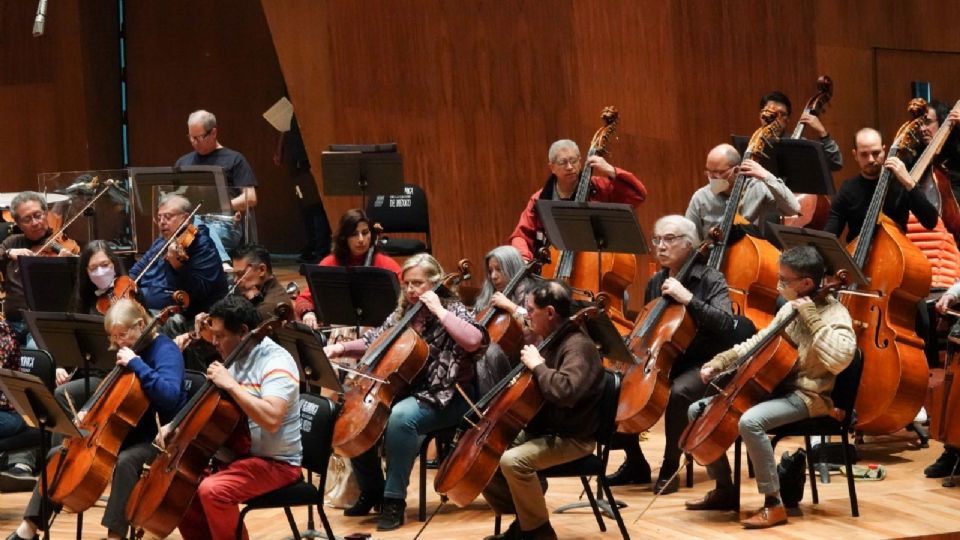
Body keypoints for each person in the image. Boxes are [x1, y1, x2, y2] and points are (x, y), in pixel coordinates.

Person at [684, 246, 855, 529]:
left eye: (784, 280)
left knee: (751, 422)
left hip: (809, 395)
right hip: (776, 389)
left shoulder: (836, 315)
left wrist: (812, 319)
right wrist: (722, 360)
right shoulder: (789, 307)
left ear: (807, 284)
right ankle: (725, 491)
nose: (779, 285)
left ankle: (774, 504)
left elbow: (840, 360)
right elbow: (759, 342)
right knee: (696, 410)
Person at [325, 253, 487, 531]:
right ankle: (372, 489)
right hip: (410, 392)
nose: (411, 290)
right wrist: (340, 349)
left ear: (435, 284)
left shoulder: (453, 308)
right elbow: (374, 340)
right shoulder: (403, 313)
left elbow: (474, 341)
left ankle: (393, 500)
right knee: (355, 418)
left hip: (449, 396)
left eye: (418, 283)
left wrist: (439, 310)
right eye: (407, 284)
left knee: (400, 418)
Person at [8, 299, 186, 540]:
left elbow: (170, 395)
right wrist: (89, 411)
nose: (118, 342)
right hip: (122, 432)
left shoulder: (165, 351)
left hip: (154, 435)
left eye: (123, 335)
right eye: (113, 338)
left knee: (126, 462)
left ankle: (115, 536)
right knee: (58, 454)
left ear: (141, 325)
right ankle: (28, 529)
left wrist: (138, 365)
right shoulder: (130, 349)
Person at [608, 216, 737, 494]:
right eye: (657, 239)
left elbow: (727, 325)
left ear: (690, 245)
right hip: (662, 358)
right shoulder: (656, 281)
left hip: (705, 362)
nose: (661, 246)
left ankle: (669, 465)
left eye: (669, 239)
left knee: (678, 393)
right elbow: (647, 324)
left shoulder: (711, 278)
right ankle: (635, 462)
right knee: (618, 387)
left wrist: (689, 299)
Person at [481, 280, 605, 540]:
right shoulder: (550, 338)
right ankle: (525, 521)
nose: (525, 315)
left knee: (513, 461)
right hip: (546, 429)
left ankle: (538, 532)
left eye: (530, 311)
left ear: (549, 313)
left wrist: (538, 366)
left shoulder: (578, 346)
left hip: (573, 437)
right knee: (485, 450)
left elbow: (565, 392)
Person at [176, 295, 303, 540]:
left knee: (213, 491)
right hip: (238, 456)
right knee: (182, 484)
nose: (214, 342)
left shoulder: (276, 363)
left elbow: (272, 418)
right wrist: (174, 427)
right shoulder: (236, 353)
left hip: (277, 463)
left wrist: (232, 385)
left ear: (243, 331)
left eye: (220, 335)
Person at [508, 139, 647, 261]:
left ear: (580, 162)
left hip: (595, 265)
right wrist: (524, 259)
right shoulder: (540, 198)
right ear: (552, 167)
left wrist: (611, 171)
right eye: (563, 162)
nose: (570, 167)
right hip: (552, 270)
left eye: (574, 161)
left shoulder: (599, 187)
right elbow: (521, 235)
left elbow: (638, 195)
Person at [129, 193, 229, 325]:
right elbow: (137, 270)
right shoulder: (161, 242)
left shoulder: (202, 245)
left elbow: (199, 291)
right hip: (145, 310)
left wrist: (177, 265)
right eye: (159, 218)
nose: (162, 222)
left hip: (181, 317)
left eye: (168, 217)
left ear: (186, 218)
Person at [175, 109, 259, 266]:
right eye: (191, 138)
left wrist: (221, 205)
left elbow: (251, 197)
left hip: (224, 223)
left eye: (198, 138)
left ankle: (222, 268)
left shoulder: (235, 159)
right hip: (191, 223)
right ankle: (223, 266)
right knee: (188, 234)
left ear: (213, 132)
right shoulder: (183, 162)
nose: (194, 142)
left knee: (200, 234)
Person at [825, 127, 939, 241]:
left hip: (895, 256)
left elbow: (930, 222)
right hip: (856, 257)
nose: (870, 160)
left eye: (875, 153)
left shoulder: (901, 184)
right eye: (864, 154)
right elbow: (830, 234)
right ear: (855, 155)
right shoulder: (848, 189)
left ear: (884, 150)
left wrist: (909, 182)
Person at [294, 209, 402, 328]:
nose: (361, 239)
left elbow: (406, 297)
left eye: (365, 233)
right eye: (354, 234)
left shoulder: (385, 264)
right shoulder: (330, 262)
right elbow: (304, 298)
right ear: (344, 238)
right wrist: (307, 313)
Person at [0, 191, 76, 346]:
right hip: (12, 322)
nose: (35, 222)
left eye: (38, 215)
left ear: (46, 214)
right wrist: (7, 253)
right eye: (27, 219)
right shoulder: (12, 243)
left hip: (43, 323)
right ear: (18, 224)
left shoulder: (64, 246)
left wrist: (65, 267)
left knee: (34, 352)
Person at [685, 143, 800, 239]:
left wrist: (766, 176)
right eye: (709, 172)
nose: (711, 178)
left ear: (736, 170)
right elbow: (689, 237)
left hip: (747, 257)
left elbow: (793, 209)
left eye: (718, 172)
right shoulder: (700, 197)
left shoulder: (757, 189)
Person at [474, 245, 537, 395]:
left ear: (513, 268)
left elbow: (534, 326)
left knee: (490, 351)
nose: (493, 276)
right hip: (500, 365)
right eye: (490, 271)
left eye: (499, 269)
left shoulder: (532, 295)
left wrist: (510, 306)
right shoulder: (490, 296)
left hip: (524, 361)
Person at [274, 114, 332, 264]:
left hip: (309, 160)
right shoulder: (291, 112)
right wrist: (280, 149)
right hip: (297, 161)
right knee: (307, 207)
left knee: (316, 206)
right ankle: (313, 247)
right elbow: (285, 129)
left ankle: (321, 249)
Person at [760, 90, 843, 171]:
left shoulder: (800, 145)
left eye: (782, 114)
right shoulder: (751, 145)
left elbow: (836, 164)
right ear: (761, 116)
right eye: (771, 113)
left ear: (788, 119)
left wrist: (823, 133)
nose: (776, 118)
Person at [74, 240, 129, 315]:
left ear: (114, 264)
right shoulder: (82, 297)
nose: (100, 272)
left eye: (105, 265)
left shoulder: (129, 290)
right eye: (93, 268)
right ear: (86, 271)